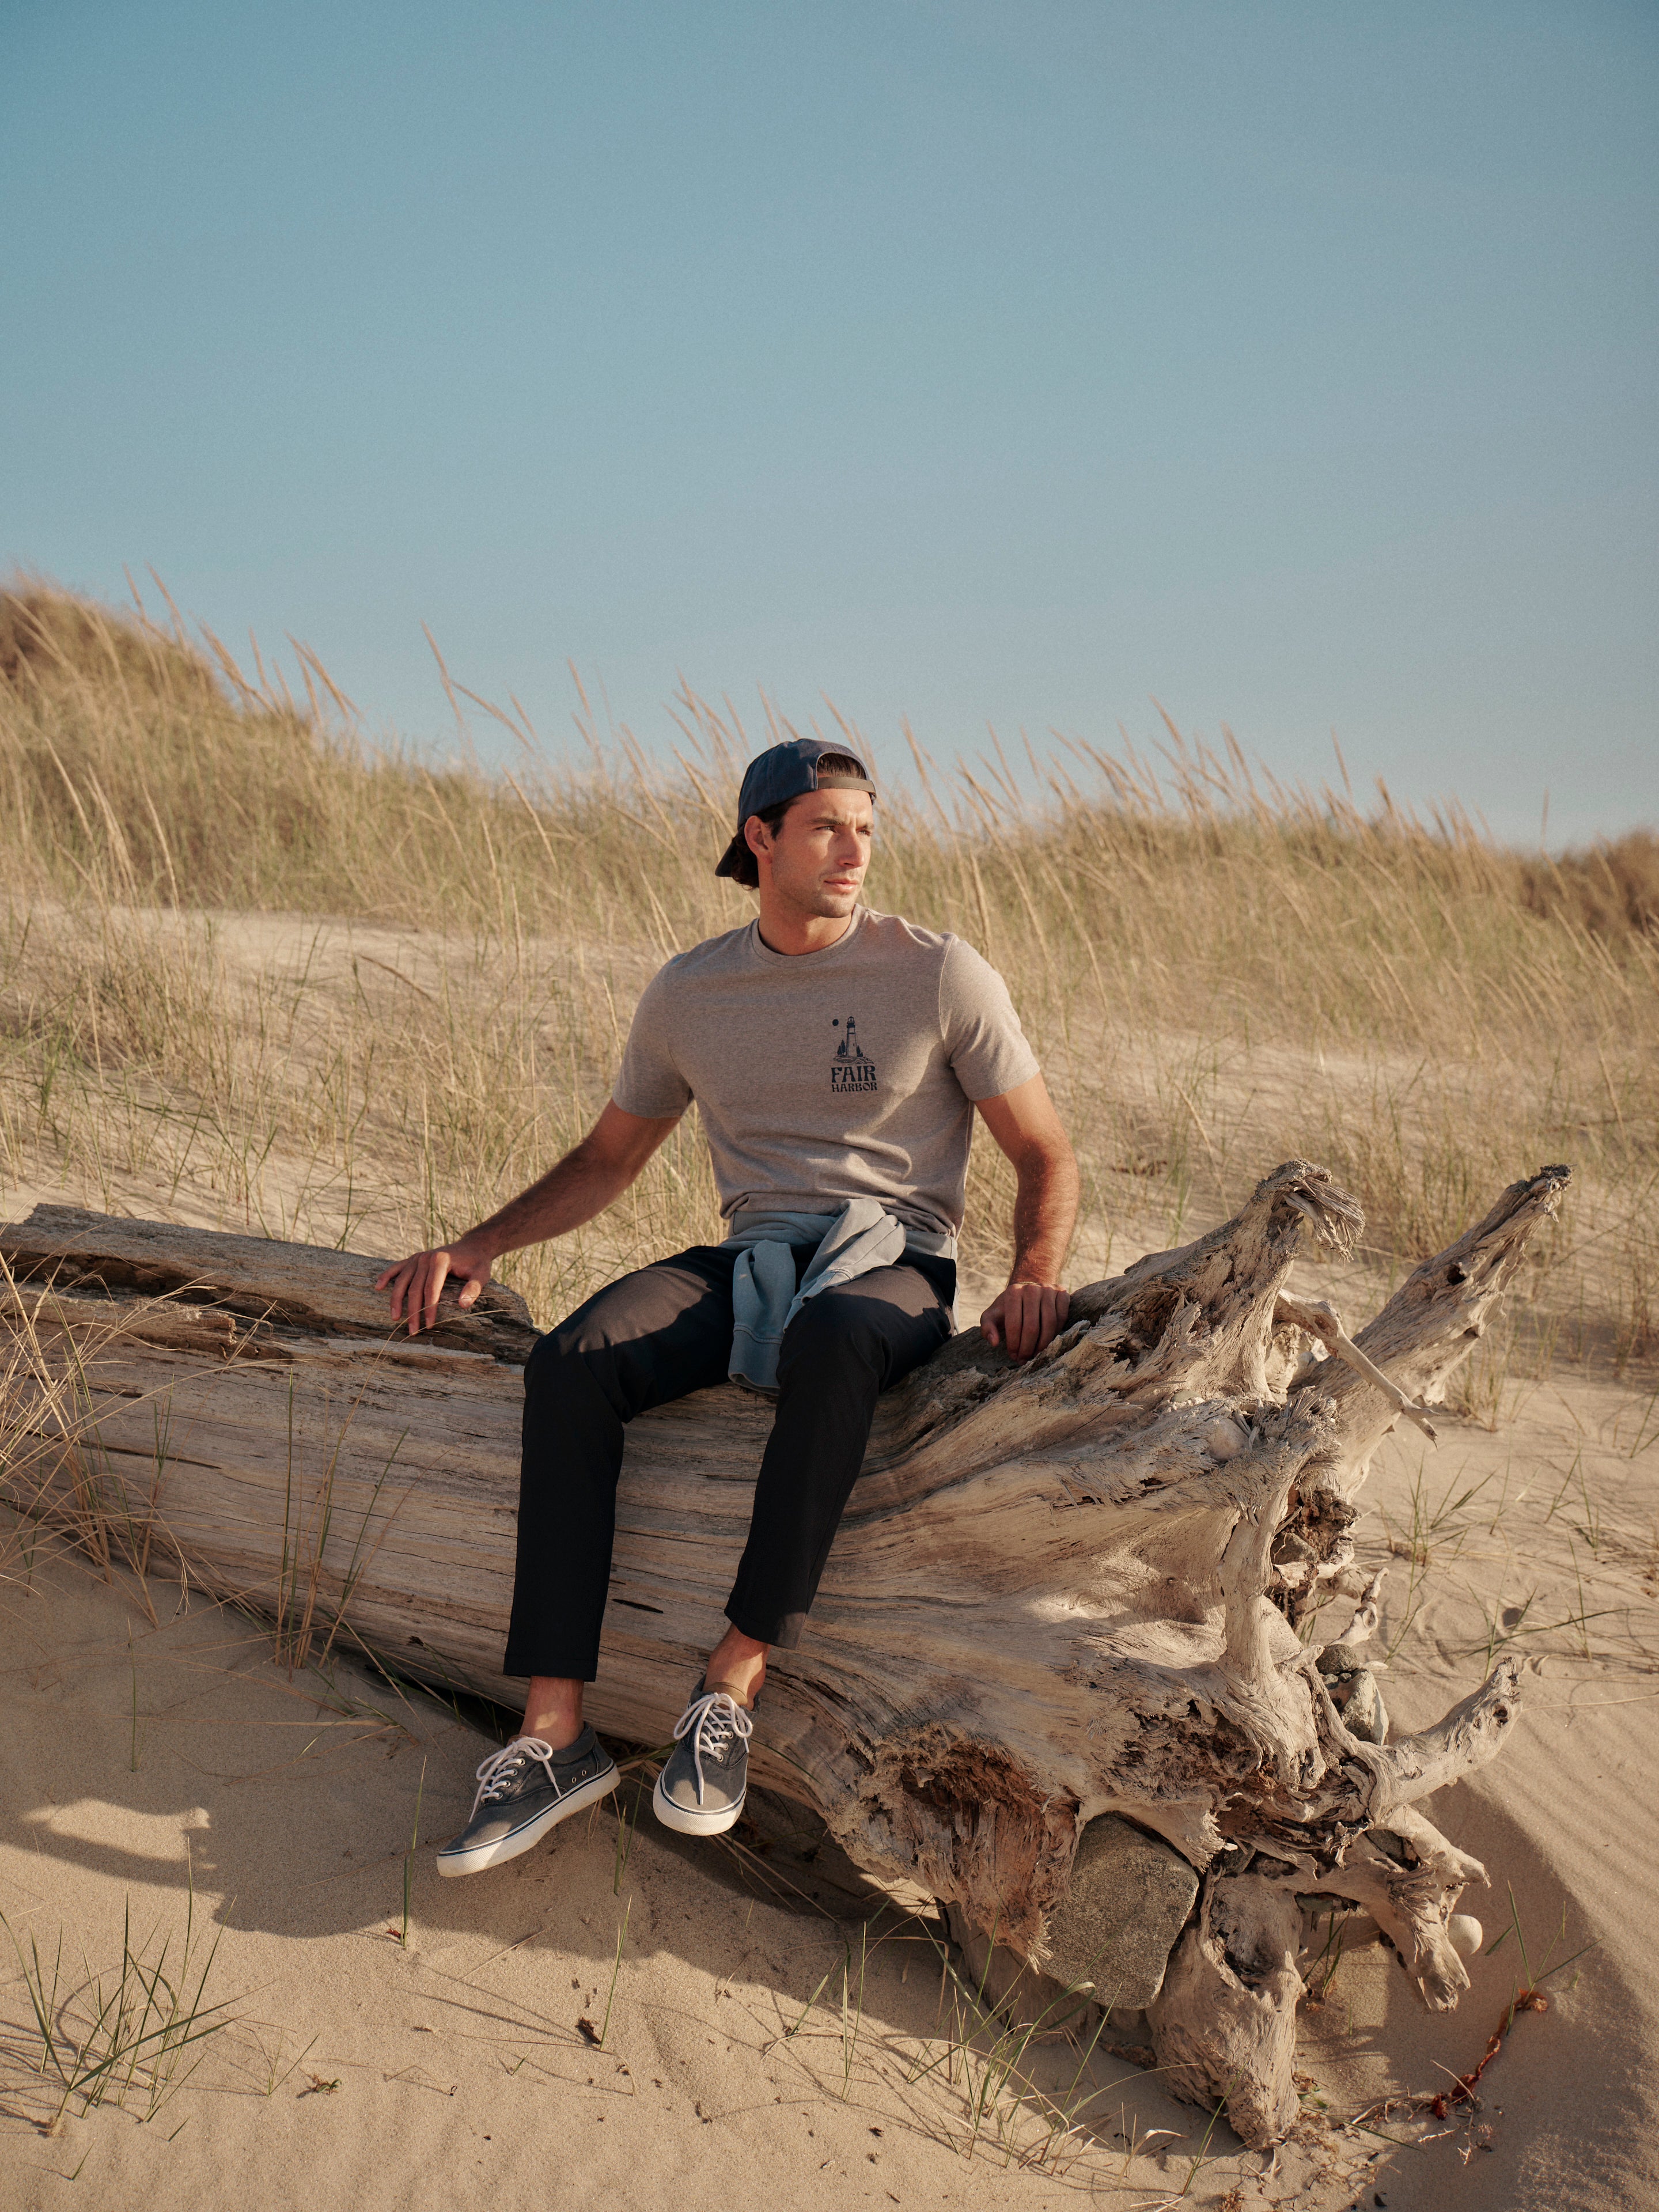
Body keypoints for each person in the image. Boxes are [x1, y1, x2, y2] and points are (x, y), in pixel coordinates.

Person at [377, 737, 1078, 1877]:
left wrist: (1034, 1273)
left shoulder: (939, 973)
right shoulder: (692, 991)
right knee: (573, 1359)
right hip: (756, 1254)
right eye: (826, 828)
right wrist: (479, 1245)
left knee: (838, 1340)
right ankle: (553, 1732)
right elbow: (609, 1159)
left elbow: (1043, 1151)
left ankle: (732, 1683)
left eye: (866, 826)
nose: (855, 850)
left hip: (891, 1264)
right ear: (759, 839)